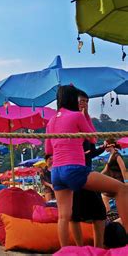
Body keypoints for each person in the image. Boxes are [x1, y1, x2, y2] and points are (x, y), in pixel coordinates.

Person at [45, 85, 128, 247]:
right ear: (73, 99)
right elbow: (92, 139)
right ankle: (127, 234)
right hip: (74, 170)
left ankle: (66, 251)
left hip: (57, 173)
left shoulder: (51, 121)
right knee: (122, 189)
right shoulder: (76, 116)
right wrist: (86, 116)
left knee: (64, 216)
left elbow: (48, 150)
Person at [70, 90, 107, 248]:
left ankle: (98, 247)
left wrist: (103, 148)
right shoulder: (70, 120)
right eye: (81, 101)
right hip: (74, 172)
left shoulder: (86, 122)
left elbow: (91, 148)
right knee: (74, 214)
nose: (84, 104)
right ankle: (79, 248)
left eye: (86, 101)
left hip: (87, 171)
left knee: (99, 212)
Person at [101, 138, 128, 212]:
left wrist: (126, 182)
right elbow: (106, 169)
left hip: (118, 181)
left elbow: (123, 169)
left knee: (104, 196)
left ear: (111, 146)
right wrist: (96, 175)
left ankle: (108, 213)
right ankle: (109, 213)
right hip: (114, 181)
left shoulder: (117, 155)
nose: (104, 147)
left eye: (105, 145)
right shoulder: (111, 155)